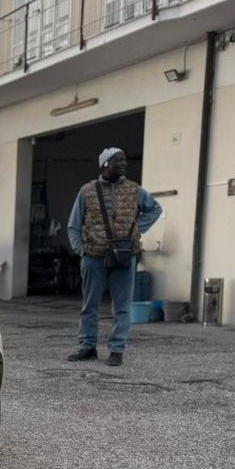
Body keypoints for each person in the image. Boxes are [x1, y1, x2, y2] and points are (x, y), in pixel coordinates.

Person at [66, 148, 162, 367]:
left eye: (125, 160)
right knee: (89, 305)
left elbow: (154, 209)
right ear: (105, 164)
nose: (124, 164)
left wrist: (137, 230)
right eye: (119, 161)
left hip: (125, 257)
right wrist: (81, 250)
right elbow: (73, 225)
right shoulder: (87, 191)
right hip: (93, 257)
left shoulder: (134, 190)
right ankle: (87, 347)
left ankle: (117, 349)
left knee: (122, 306)